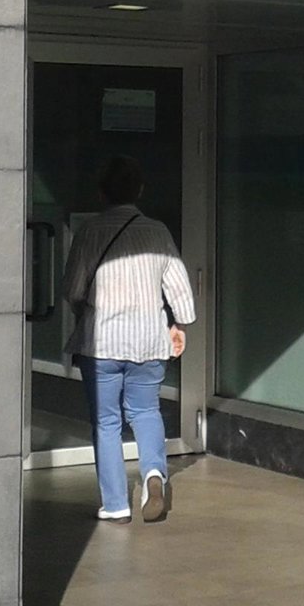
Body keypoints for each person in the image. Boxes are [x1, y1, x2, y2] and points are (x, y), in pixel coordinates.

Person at [62, 157, 194, 524]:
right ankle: (154, 476)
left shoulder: (90, 231)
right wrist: (179, 325)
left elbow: (73, 288)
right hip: (149, 340)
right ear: (140, 191)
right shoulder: (157, 232)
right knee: (146, 411)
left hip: (101, 342)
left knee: (107, 422)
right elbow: (180, 288)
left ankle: (116, 504)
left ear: (101, 193)